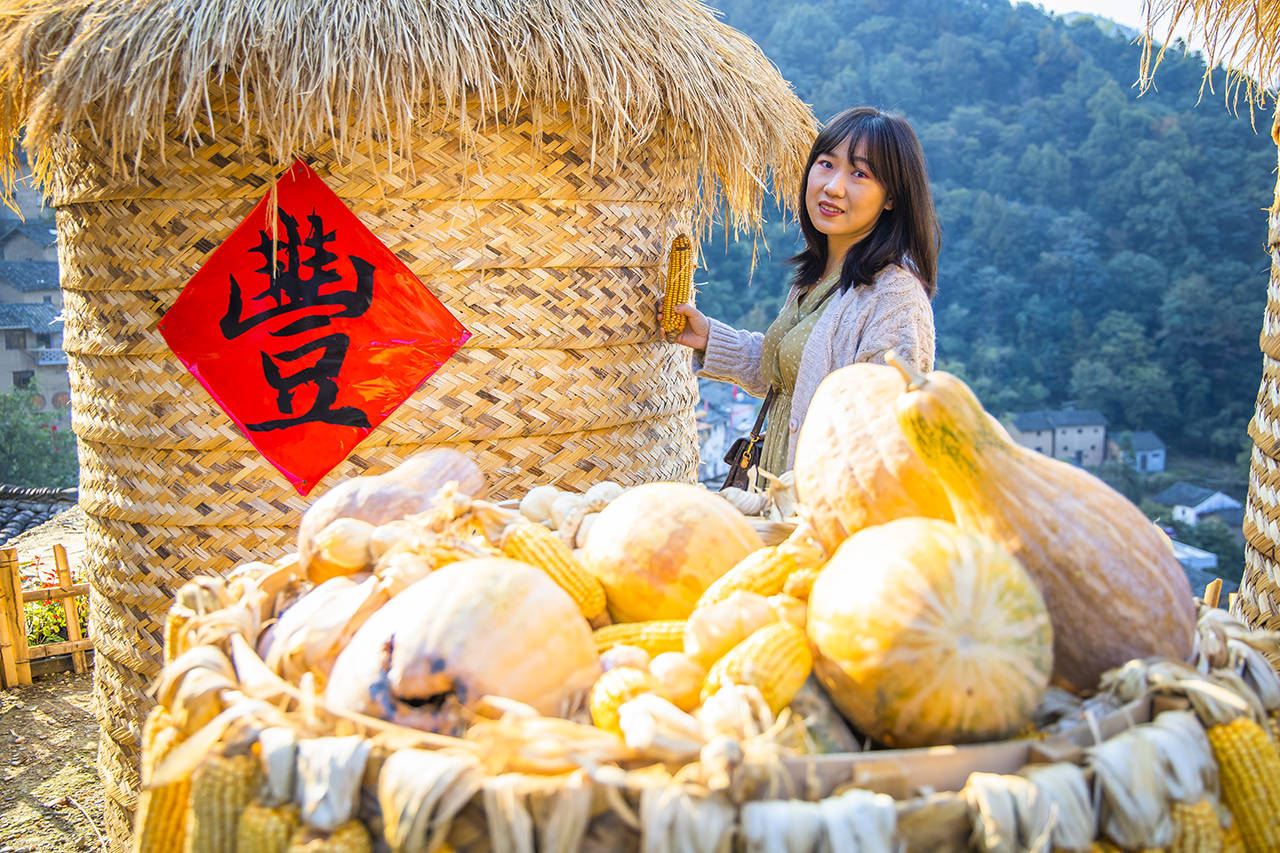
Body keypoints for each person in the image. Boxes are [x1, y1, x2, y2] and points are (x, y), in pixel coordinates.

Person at [669, 106, 939, 476]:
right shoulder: (817, 277)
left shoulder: (894, 298)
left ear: (892, 197)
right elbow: (788, 375)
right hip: (781, 499)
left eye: (859, 173)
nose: (834, 187)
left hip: (829, 511)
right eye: (826, 164)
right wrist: (710, 339)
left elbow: (892, 435)